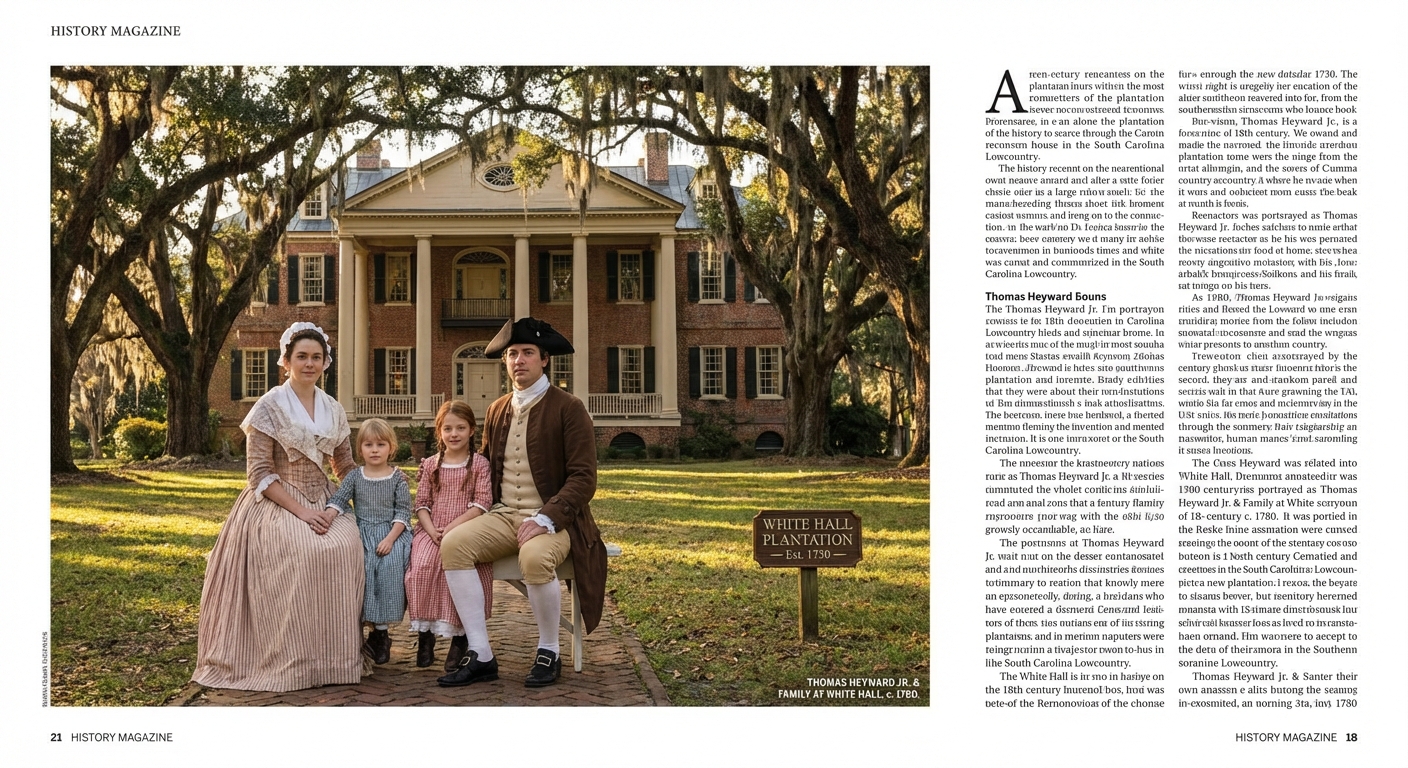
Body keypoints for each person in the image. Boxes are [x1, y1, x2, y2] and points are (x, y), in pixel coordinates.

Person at [193, 322, 364, 691]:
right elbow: (258, 473)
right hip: (277, 500)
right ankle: (294, 660)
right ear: (285, 361)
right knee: (303, 550)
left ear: (325, 362)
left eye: (316, 357)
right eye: (301, 356)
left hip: (324, 499)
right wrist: (302, 513)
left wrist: (373, 492)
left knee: (348, 545)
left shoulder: (333, 408)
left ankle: (336, 659)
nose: (309, 364)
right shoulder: (269, 405)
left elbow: (345, 466)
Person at [437, 317, 606, 688]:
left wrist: (546, 518)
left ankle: (549, 650)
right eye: (512, 354)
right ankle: (480, 653)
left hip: (556, 520)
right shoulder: (497, 409)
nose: (519, 360)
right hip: (502, 514)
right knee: (454, 545)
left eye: (527, 353)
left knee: (533, 558)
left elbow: (584, 478)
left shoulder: (569, 407)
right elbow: (483, 464)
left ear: (544, 359)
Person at [404, 400, 495, 671]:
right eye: (447, 428)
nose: (453, 434)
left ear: (471, 431)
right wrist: (431, 529)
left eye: (460, 428)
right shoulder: (431, 464)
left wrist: (454, 527)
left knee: (460, 569)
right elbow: (421, 503)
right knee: (421, 567)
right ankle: (426, 635)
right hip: (432, 529)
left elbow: (482, 503)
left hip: (465, 529)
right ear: (439, 432)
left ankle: (460, 638)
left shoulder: (479, 464)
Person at [323, 418, 412, 665]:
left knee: (388, 567)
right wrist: (329, 515)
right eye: (368, 445)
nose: (374, 450)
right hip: (362, 532)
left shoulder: (397, 479)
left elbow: (403, 513)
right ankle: (360, 631)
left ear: (391, 448)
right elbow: (340, 499)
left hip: (390, 533)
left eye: (381, 444)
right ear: (359, 448)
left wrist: (391, 539)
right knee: (360, 569)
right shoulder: (355, 476)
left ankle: (381, 633)